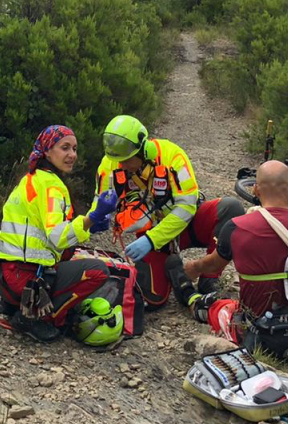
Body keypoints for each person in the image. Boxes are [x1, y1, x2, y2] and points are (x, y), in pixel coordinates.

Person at [179, 160, 288, 361]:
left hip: (257, 335)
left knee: (217, 307)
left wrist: (192, 268)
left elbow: (212, 265)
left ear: (255, 190)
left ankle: (190, 297)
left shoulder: (236, 227)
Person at [0, 124, 124, 346]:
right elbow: (58, 237)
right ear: (47, 151)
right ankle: (32, 318)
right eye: (65, 148)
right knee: (99, 271)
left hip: (0, 275)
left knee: (70, 254)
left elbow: (43, 231)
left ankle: (12, 305)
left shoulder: (30, 178)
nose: (72, 155)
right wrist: (93, 216)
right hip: (23, 280)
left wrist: (89, 225)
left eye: (75, 149)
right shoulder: (52, 185)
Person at [95, 114, 222, 309]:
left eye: (127, 160)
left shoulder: (172, 157)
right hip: (153, 237)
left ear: (144, 150)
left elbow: (187, 206)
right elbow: (99, 205)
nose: (122, 166)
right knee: (154, 300)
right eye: (118, 161)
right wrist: (97, 218)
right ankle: (174, 268)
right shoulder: (110, 165)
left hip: (186, 227)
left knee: (229, 209)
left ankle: (209, 277)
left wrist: (151, 239)